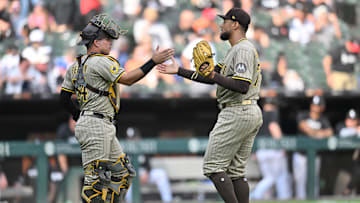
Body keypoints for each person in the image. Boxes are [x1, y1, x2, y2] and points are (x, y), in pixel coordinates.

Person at [59, 13, 174, 203]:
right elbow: (128, 79)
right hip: (96, 124)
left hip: (97, 123)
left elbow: (64, 98)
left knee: (123, 173)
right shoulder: (101, 61)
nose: (111, 42)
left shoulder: (75, 65)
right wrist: (153, 61)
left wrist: (78, 116)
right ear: (95, 42)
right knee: (95, 182)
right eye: (106, 39)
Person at [157, 7, 263, 203]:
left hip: (237, 110)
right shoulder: (235, 50)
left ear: (235, 24)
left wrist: (214, 75)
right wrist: (179, 70)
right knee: (236, 172)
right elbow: (211, 77)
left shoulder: (242, 49)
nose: (221, 25)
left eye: (224, 21)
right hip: (247, 110)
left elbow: (242, 85)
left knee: (213, 166)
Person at [250, 96, 292, 200]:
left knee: (271, 177)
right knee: (277, 177)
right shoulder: (272, 113)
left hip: (261, 151)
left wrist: (254, 151)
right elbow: (273, 128)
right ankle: (255, 195)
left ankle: (280, 198)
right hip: (273, 150)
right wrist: (282, 146)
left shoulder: (257, 115)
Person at [293, 95, 333, 199]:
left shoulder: (323, 119)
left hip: (315, 156)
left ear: (322, 107)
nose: (315, 107)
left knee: (314, 181)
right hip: (301, 154)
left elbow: (330, 132)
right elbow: (305, 128)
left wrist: (314, 133)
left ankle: (313, 200)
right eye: (314, 105)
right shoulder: (303, 115)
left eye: (317, 105)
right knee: (300, 182)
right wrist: (318, 133)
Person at [125, 127, 173, 203]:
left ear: (138, 137)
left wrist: (147, 173)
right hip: (132, 177)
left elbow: (148, 165)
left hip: (145, 175)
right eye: (130, 138)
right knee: (126, 181)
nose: (132, 140)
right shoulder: (124, 150)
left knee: (161, 174)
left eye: (134, 138)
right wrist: (136, 177)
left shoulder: (144, 147)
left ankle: (168, 200)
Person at [334, 109, 360, 195]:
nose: (351, 122)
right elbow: (342, 133)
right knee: (338, 195)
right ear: (346, 120)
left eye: (354, 120)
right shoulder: (340, 126)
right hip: (341, 169)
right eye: (349, 119)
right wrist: (356, 130)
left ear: (357, 121)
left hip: (354, 169)